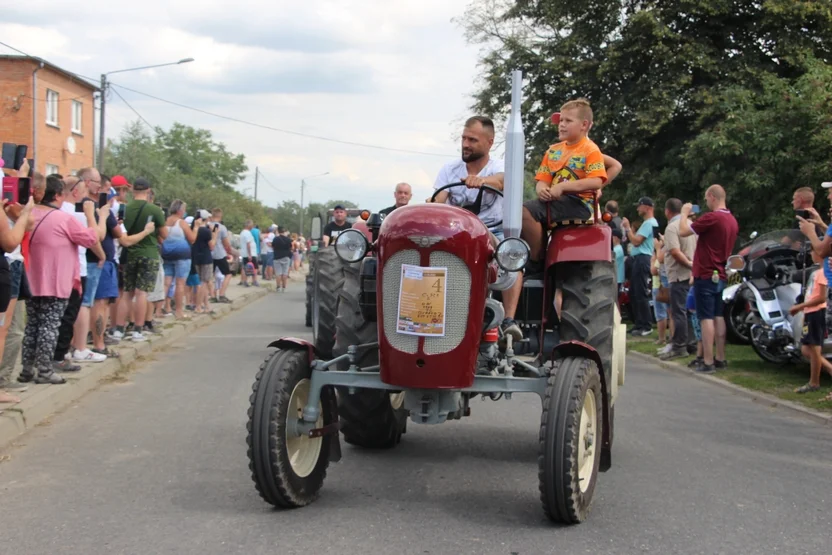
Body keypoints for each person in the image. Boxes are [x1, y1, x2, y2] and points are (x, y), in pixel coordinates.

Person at [499, 101, 622, 337]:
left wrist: (565, 188)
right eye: (560, 121)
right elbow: (542, 179)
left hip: (576, 205)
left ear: (584, 125)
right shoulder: (554, 150)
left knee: (524, 212)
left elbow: (596, 180)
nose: (562, 125)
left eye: (568, 121)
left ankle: (536, 259)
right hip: (554, 203)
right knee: (518, 210)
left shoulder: (590, 149)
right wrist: (543, 188)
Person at [19, 176, 102, 385]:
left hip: (31, 279)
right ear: (57, 195)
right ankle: (45, 370)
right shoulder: (63, 219)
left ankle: (26, 369)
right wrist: (91, 216)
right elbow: (91, 238)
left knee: (32, 326)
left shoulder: (29, 214)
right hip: (56, 280)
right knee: (49, 325)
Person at [679, 184, 739, 374]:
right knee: (718, 315)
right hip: (720, 272)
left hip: (705, 272)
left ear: (712, 197)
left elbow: (683, 231)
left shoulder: (712, 218)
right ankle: (720, 357)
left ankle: (707, 360)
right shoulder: (732, 220)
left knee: (705, 317)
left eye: (706, 198)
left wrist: (684, 213)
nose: (706, 202)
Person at [429, 116, 505, 237]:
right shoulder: (449, 169)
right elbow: (439, 198)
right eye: (464, 138)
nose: (465, 144)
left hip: (492, 232)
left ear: (489, 143)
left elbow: (501, 181)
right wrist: (433, 203)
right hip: (455, 233)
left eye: (472, 140)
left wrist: (481, 181)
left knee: (505, 251)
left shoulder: (499, 166)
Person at [113, 177, 168, 342]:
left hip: (130, 253)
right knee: (142, 293)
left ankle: (119, 328)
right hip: (149, 253)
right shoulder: (155, 210)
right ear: (149, 191)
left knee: (127, 293)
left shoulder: (124, 208)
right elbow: (164, 234)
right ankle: (138, 329)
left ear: (132, 190)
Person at [789, 248, 832, 396]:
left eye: (814, 251)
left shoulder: (822, 273)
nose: (811, 254)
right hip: (810, 313)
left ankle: (814, 382)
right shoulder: (817, 272)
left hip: (816, 313)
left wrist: (799, 307)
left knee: (814, 348)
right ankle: (825, 371)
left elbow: (821, 298)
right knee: (806, 349)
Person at [661, 198, 698, 360]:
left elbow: (675, 252)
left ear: (667, 211)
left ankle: (680, 346)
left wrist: (689, 264)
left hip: (678, 274)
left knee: (679, 311)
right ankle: (692, 342)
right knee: (690, 311)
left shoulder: (672, 228)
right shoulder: (691, 225)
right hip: (692, 274)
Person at [621, 197, 658, 336]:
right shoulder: (648, 223)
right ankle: (639, 323)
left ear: (647, 207)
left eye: (640, 206)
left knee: (640, 292)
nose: (638, 209)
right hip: (639, 258)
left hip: (642, 258)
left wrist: (628, 228)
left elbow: (636, 241)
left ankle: (646, 324)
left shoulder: (649, 223)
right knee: (634, 292)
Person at [161, 200, 197, 320]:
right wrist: (196, 228)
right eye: (184, 210)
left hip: (167, 254)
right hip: (182, 255)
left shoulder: (165, 221)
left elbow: (160, 237)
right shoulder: (181, 222)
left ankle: (159, 309)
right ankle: (179, 311)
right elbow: (192, 239)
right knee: (180, 284)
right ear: (180, 210)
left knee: (166, 283)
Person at [191, 210, 219, 313]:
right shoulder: (206, 231)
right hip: (206, 258)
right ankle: (198, 306)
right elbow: (211, 246)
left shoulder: (194, 229)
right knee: (205, 282)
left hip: (195, 257)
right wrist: (215, 234)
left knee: (198, 282)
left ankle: (205, 305)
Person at [210, 208, 236, 303]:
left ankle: (212, 295)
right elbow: (226, 243)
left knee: (209, 276)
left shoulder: (208, 225)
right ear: (220, 216)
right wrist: (229, 251)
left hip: (209, 254)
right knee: (228, 274)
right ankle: (221, 294)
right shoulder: (220, 227)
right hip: (219, 254)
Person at [651, 239, 670, 346]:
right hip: (662, 286)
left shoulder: (661, 253)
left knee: (660, 314)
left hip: (659, 287)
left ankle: (662, 338)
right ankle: (667, 337)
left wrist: (653, 260)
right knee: (667, 313)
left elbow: (654, 270)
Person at [272, 226, 293, 292]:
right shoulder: (288, 239)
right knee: (285, 272)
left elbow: (273, 246)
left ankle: (278, 287)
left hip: (277, 257)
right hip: (286, 257)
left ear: (278, 231)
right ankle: (284, 287)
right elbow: (290, 247)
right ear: (284, 231)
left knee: (278, 273)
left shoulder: (275, 239)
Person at [239, 220, 259, 286]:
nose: (252, 226)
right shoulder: (247, 233)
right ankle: (254, 281)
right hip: (250, 254)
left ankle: (244, 281)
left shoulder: (243, 232)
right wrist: (250, 254)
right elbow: (248, 244)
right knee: (255, 267)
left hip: (245, 253)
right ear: (248, 225)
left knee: (245, 267)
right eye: (252, 225)